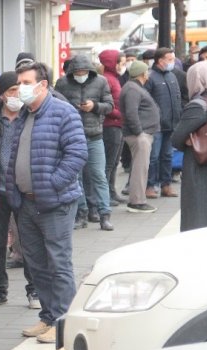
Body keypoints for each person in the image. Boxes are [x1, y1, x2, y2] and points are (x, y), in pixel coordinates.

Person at [7, 62, 87, 344]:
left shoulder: (63, 112)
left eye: (26, 82)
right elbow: (15, 156)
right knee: (37, 264)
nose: (21, 88)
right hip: (26, 203)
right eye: (19, 83)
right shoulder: (24, 115)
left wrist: (52, 182)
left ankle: (64, 321)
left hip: (55, 202)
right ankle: (48, 317)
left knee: (58, 263)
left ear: (43, 85)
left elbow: (77, 153)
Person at [0, 70, 40, 310]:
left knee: (28, 242)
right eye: (11, 91)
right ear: (2, 95)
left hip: (24, 190)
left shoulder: (31, 115)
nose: (16, 94)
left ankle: (34, 291)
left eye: (19, 89)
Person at [55, 54, 114, 231]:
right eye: (78, 72)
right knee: (76, 177)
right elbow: (56, 105)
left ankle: (105, 214)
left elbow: (110, 106)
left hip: (94, 135)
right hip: (71, 137)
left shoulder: (101, 82)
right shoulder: (62, 83)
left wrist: (94, 106)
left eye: (84, 71)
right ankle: (81, 213)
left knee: (99, 175)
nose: (81, 74)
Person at [171, 60, 207, 231]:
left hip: (200, 166)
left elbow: (176, 139)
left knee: (198, 213)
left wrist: (190, 139)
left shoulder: (198, 105)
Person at [120, 61, 160, 214]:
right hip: (139, 135)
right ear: (143, 74)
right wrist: (139, 133)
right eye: (147, 72)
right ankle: (137, 202)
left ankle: (138, 199)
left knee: (141, 168)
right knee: (140, 169)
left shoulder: (133, 87)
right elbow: (131, 112)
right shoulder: (132, 89)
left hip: (140, 134)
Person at [144, 47, 182, 199]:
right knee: (153, 156)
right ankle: (150, 186)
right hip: (156, 125)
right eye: (170, 59)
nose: (173, 62)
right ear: (160, 60)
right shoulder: (151, 77)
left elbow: (178, 99)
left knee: (167, 155)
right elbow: (146, 101)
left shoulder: (172, 76)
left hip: (171, 124)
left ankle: (166, 185)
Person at [98, 49, 127, 206]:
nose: (123, 66)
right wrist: (120, 114)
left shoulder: (114, 79)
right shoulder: (107, 80)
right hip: (111, 126)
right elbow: (107, 105)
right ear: (112, 63)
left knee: (115, 161)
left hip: (117, 124)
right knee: (109, 162)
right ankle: (106, 194)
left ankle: (111, 191)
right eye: (121, 63)